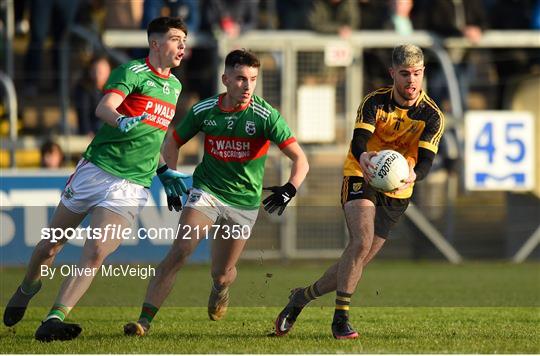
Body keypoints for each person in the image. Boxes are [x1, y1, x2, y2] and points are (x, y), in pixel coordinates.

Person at [3, 17, 190, 342]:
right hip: (97, 170)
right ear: (156, 44)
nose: (182, 45)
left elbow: (152, 137)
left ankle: (53, 319)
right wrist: (120, 121)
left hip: (131, 186)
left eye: (184, 40)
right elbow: (104, 108)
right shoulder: (132, 72)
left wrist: (163, 169)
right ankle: (28, 287)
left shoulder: (175, 88)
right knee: (50, 246)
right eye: (175, 39)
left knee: (95, 252)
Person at [123, 49, 309, 337]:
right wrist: (169, 176)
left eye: (253, 79)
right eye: (240, 79)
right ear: (225, 79)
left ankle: (220, 289)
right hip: (206, 191)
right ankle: (143, 321)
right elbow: (171, 142)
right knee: (181, 250)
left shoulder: (265, 115)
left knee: (222, 274)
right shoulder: (204, 110)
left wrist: (290, 188)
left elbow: (301, 159)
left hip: (243, 202)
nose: (247, 86)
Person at [273, 44, 444, 339]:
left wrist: (415, 174)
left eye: (416, 73)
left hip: (398, 190)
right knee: (361, 241)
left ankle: (301, 297)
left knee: (356, 260)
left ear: (423, 73)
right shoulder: (375, 102)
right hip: (362, 173)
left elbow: (427, 160)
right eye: (404, 74)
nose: (411, 81)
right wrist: (364, 156)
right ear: (393, 73)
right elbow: (359, 140)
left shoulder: (432, 115)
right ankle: (341, 320)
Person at [74, 55, 112, 135]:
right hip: (93, 130)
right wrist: (87, 131)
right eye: (96, 70)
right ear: (90, 71)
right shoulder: (83, 89)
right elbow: (83, 113)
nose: (99, 74)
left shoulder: (113, 88)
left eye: (102, 71)